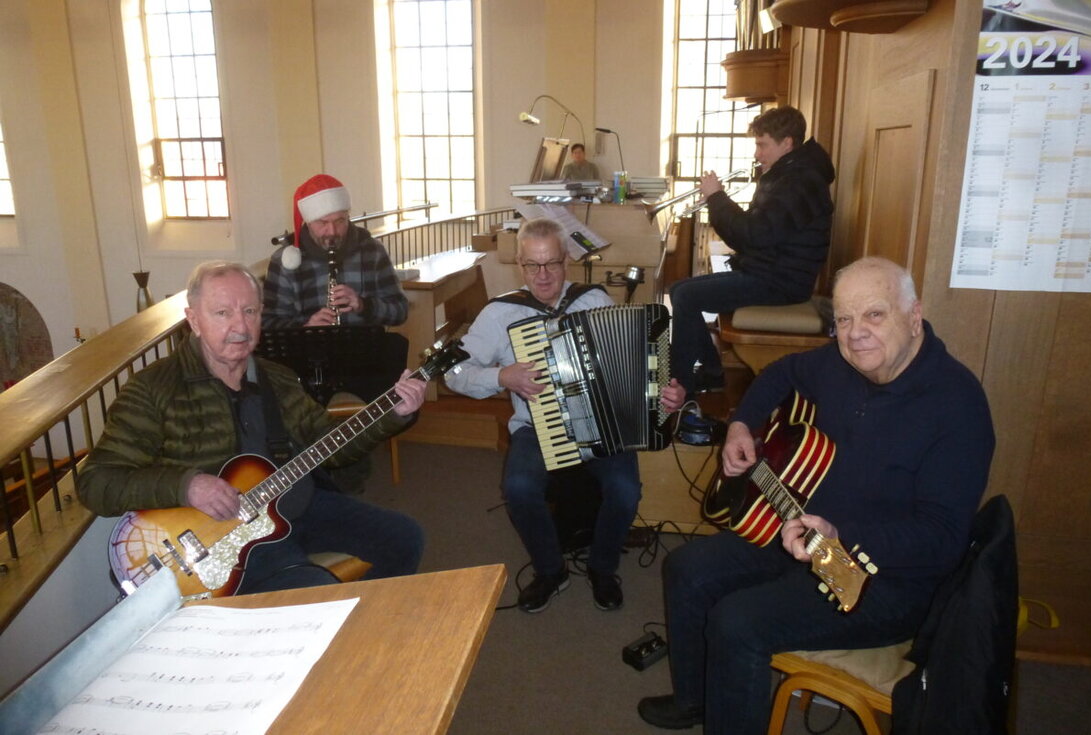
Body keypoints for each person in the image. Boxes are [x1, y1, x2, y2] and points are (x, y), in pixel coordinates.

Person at [638, 257, 995, 734]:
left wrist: (839, 533)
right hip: (802, 532)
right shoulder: (842, 362)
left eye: (874, 314)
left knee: (737, 622)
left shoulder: (958, 405)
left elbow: (943, 537)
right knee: (686, 568)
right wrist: (743, 423)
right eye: (844, 319)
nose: (855, 333)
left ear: (914, 316)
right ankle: (696, 700)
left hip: (884, 581)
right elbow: (781, 373)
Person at [77, 261, 427, 594]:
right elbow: (97, 482)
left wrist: (392, 414)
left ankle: (367, 621)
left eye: (250, 312)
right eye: (222, 313)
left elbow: (328, 443)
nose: (240, 328)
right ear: (193, 320)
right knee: (314, 594)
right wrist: (188, 486)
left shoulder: (277, 378)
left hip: (299, 508)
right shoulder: (153, 389)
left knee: (405, 537)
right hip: (227, 539)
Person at [444, 218, 685, 613]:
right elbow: (454, 373)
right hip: (536, 427)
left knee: (625, 492)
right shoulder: (500, 315)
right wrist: (501, 375)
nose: (542, 276)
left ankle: (603, 567)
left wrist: (664, 395)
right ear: (519, 264)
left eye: (552, 264)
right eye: (532, 266)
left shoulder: (593, 301)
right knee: (519, 489)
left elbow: (637, 367)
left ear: (567, 261)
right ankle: (550, 570)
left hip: (605, 425)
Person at [668, 105, 835, 396]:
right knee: (680, 290)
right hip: (769, 270)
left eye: (762, 145)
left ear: (787, 143)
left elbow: (751, 235)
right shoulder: (790, 174)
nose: (757, 154)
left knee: (685, 295)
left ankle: (680, 384)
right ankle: (710, 371)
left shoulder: (798, 181)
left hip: (781, 283)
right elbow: (761, 232)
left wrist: (716, 197)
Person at [263, 173, 408, 330]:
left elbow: (401, 311)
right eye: (322, 222)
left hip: (365, 351)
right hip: (310, 353)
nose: (332, 231)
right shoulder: (284, 260)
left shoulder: (372, 251)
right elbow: (267, 324)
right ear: (308, 222)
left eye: (340, 221)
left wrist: (364, 305)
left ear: (347, 216)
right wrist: (305, 328)